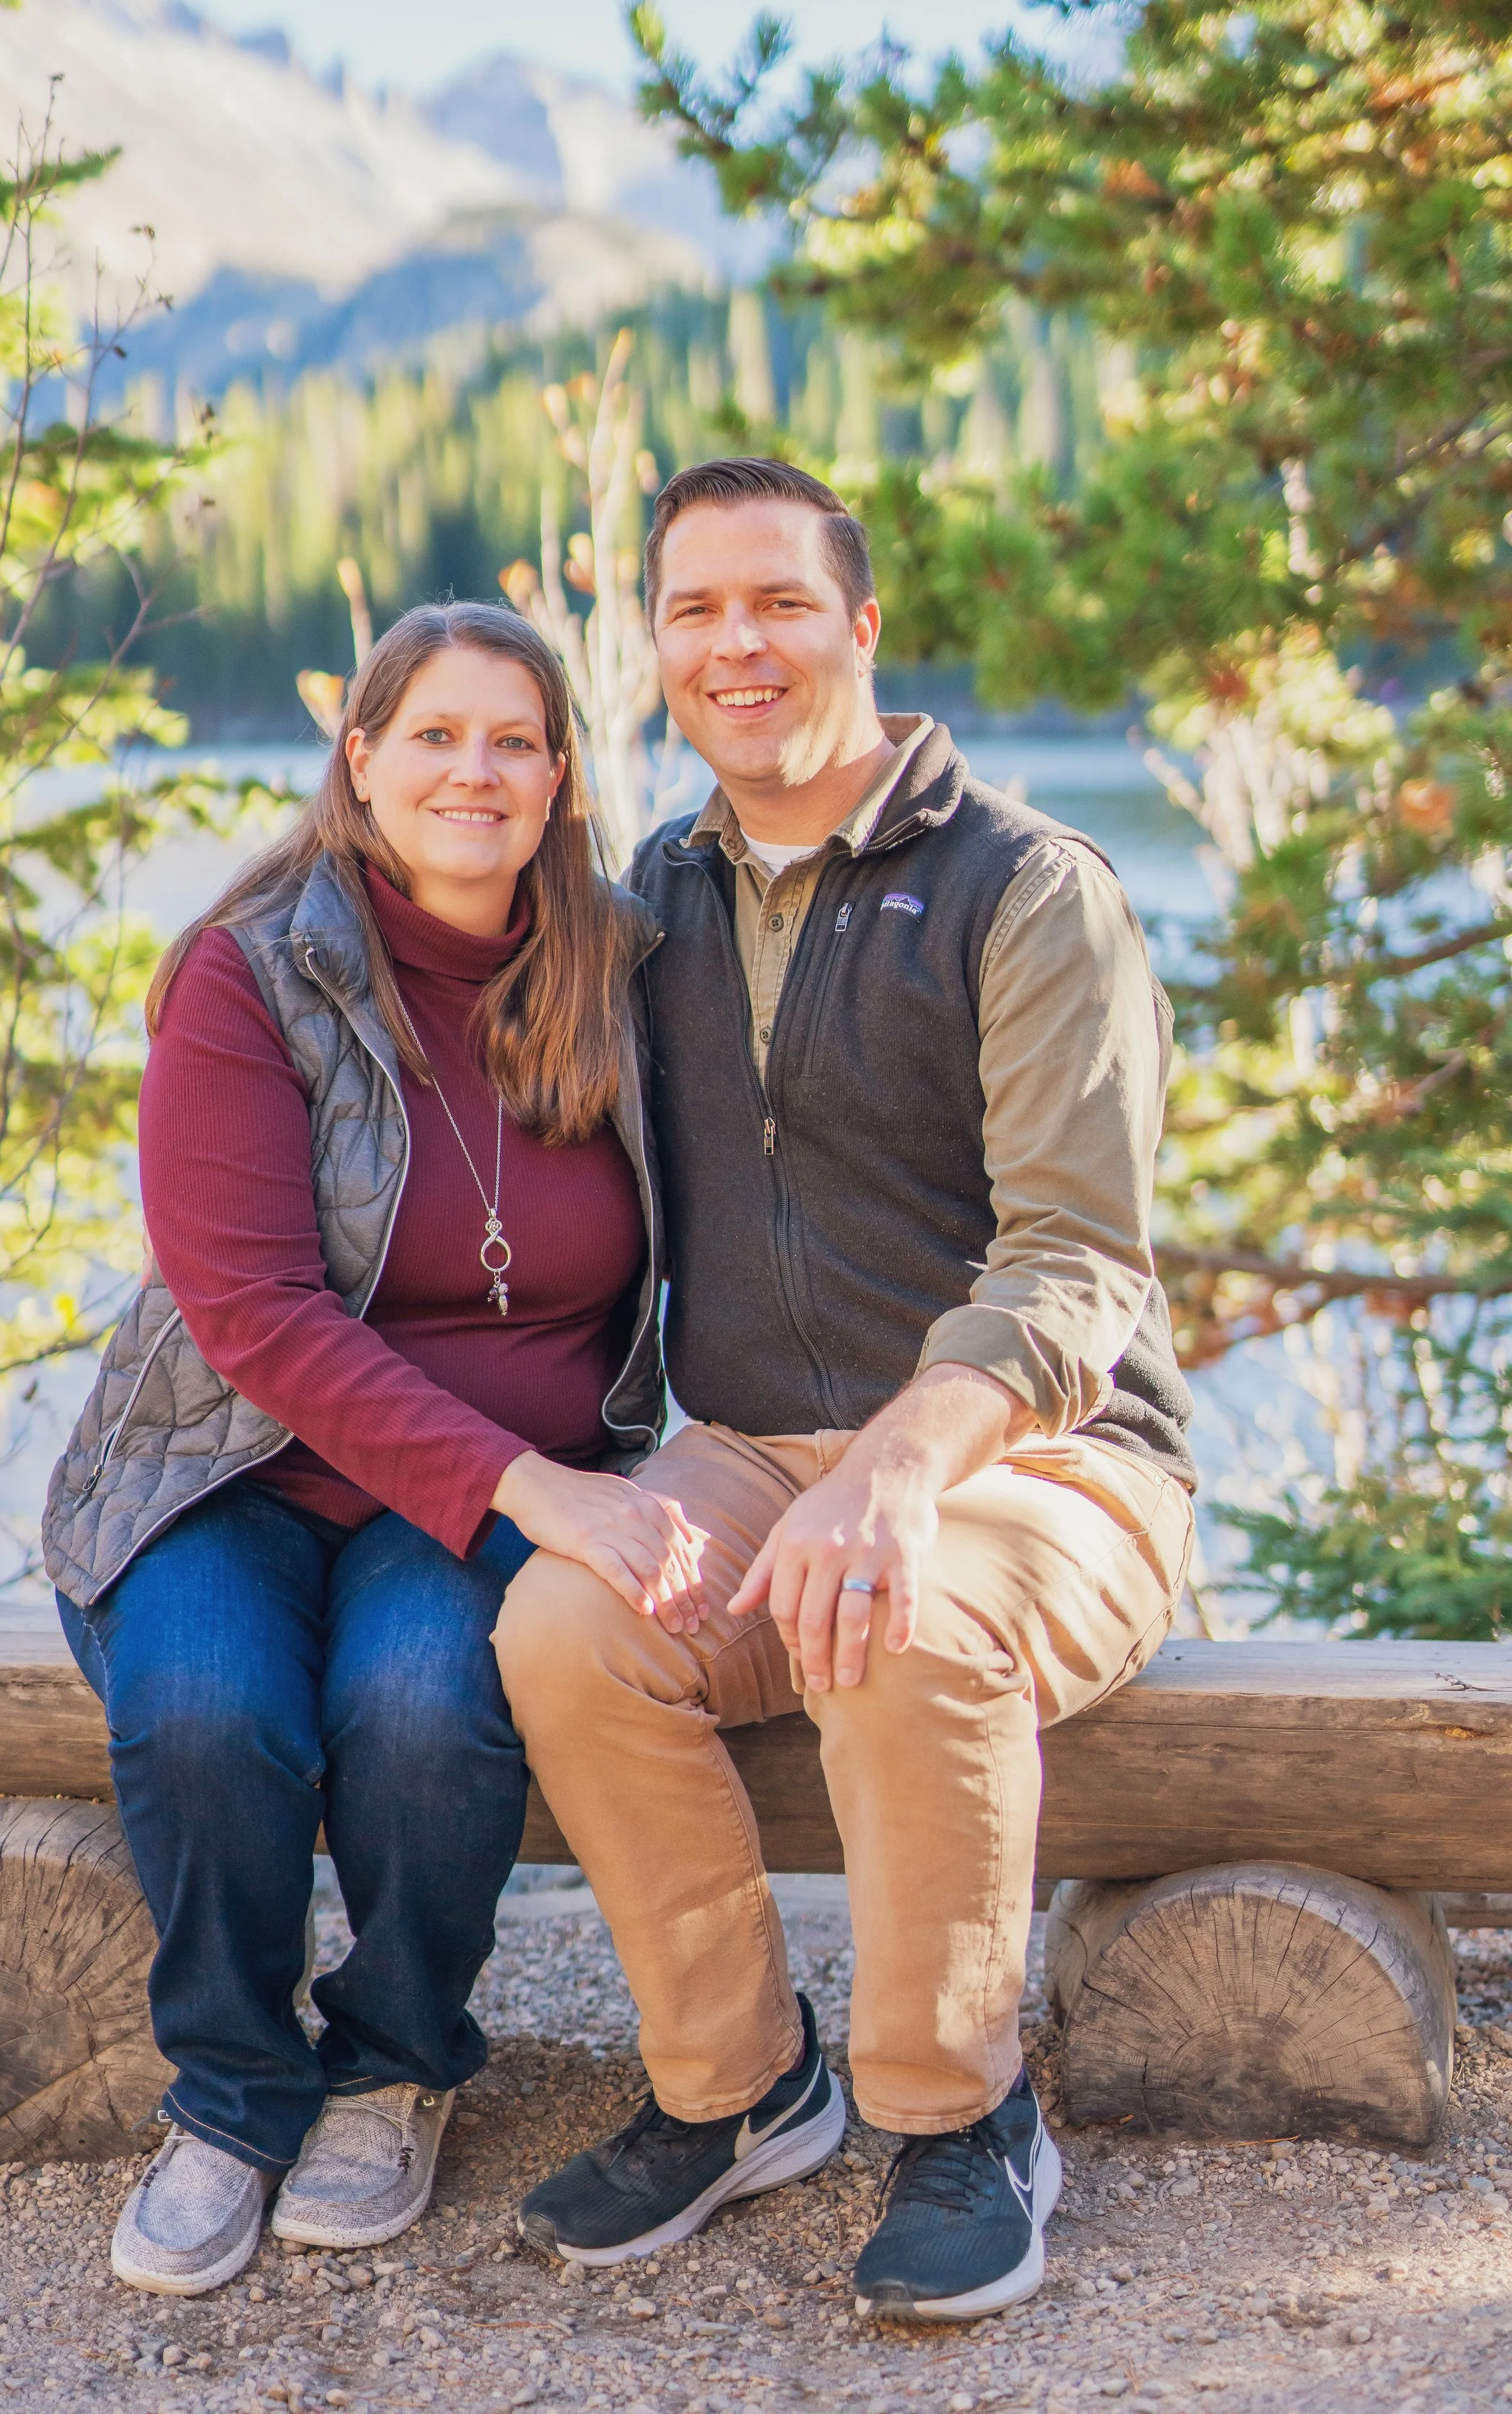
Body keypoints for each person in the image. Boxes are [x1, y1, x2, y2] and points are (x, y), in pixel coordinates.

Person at [494, 460, 1197, 2322]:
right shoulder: (659, 890)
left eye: (778, 602)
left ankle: (962, 2113)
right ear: (656, 648)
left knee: (898, 1603)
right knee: (569, 1627)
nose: (737, 642)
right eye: (696, 610)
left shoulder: (1024, 887)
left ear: (859, 626)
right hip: (742, 1448)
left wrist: (899, 1462)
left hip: (1037, 1459)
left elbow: (1076, 1262)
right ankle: (736, 2089)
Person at [41, 601, 700, 2297]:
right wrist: (534, 1492)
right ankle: (237, 2093)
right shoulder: (248, 968)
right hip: (232, 1466)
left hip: (481, 1490)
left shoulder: (620, 973)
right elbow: (255, 1313)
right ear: (361, 760)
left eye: (511, 740)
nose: (470, 771)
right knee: (203, 1708)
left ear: (559, 776)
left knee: (417, 1707)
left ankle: (395, 2055)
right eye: (432, 735)